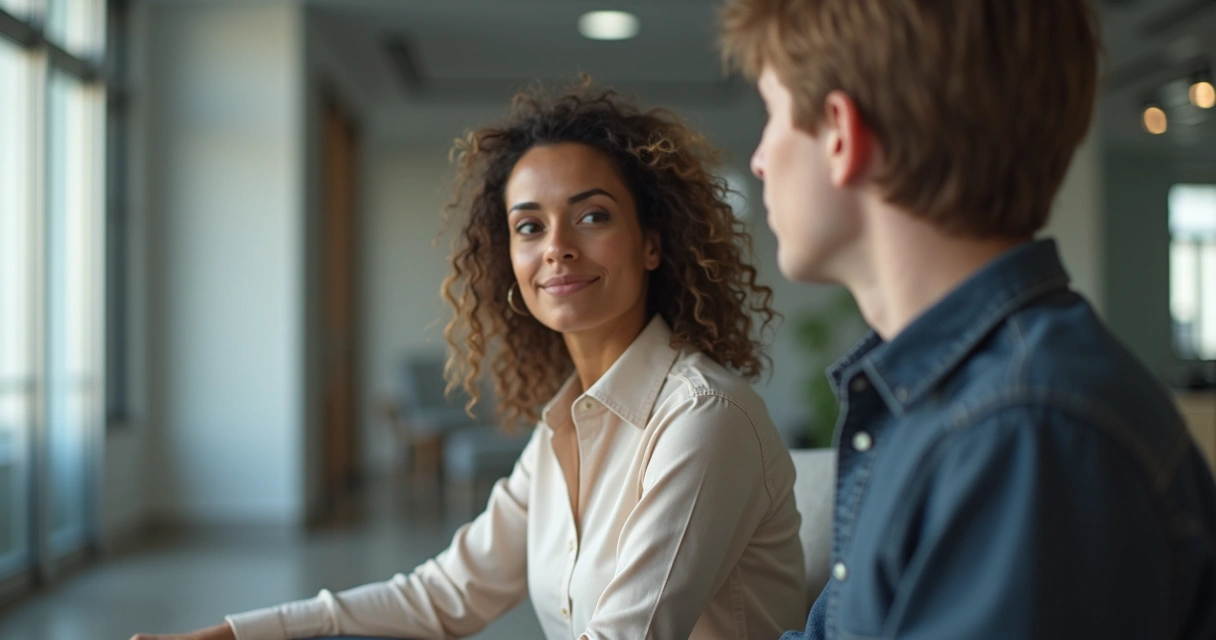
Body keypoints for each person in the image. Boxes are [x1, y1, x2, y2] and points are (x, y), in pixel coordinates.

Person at [131, 84, 806, 640]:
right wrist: (238, 634)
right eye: (529, 226)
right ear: (508, 260)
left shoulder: (702, 418)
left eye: (592, 217)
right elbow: (444, 597)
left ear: (652, 243)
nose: (556, 248)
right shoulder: (564, 428)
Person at [718, 0, 1216, 638]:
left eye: (773, 112)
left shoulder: (1022, 432)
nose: (759, 158)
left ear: (841, 134)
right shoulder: (938, 402)